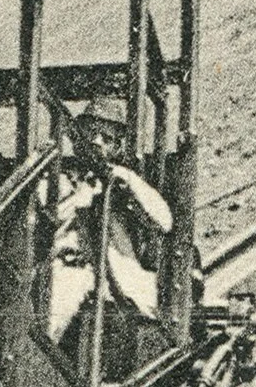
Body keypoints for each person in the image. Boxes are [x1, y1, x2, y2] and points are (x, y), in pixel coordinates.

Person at [39, 98, 174, 366]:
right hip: (69, 268)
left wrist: (124, 181)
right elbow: (46, 216)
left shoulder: (123, 181)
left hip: (117, 278)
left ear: (117, 145)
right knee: (48, 315)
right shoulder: (60, 179)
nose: (98, 142)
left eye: (107, 137)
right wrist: (80, 197)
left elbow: (164, 221)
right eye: (92, 133)